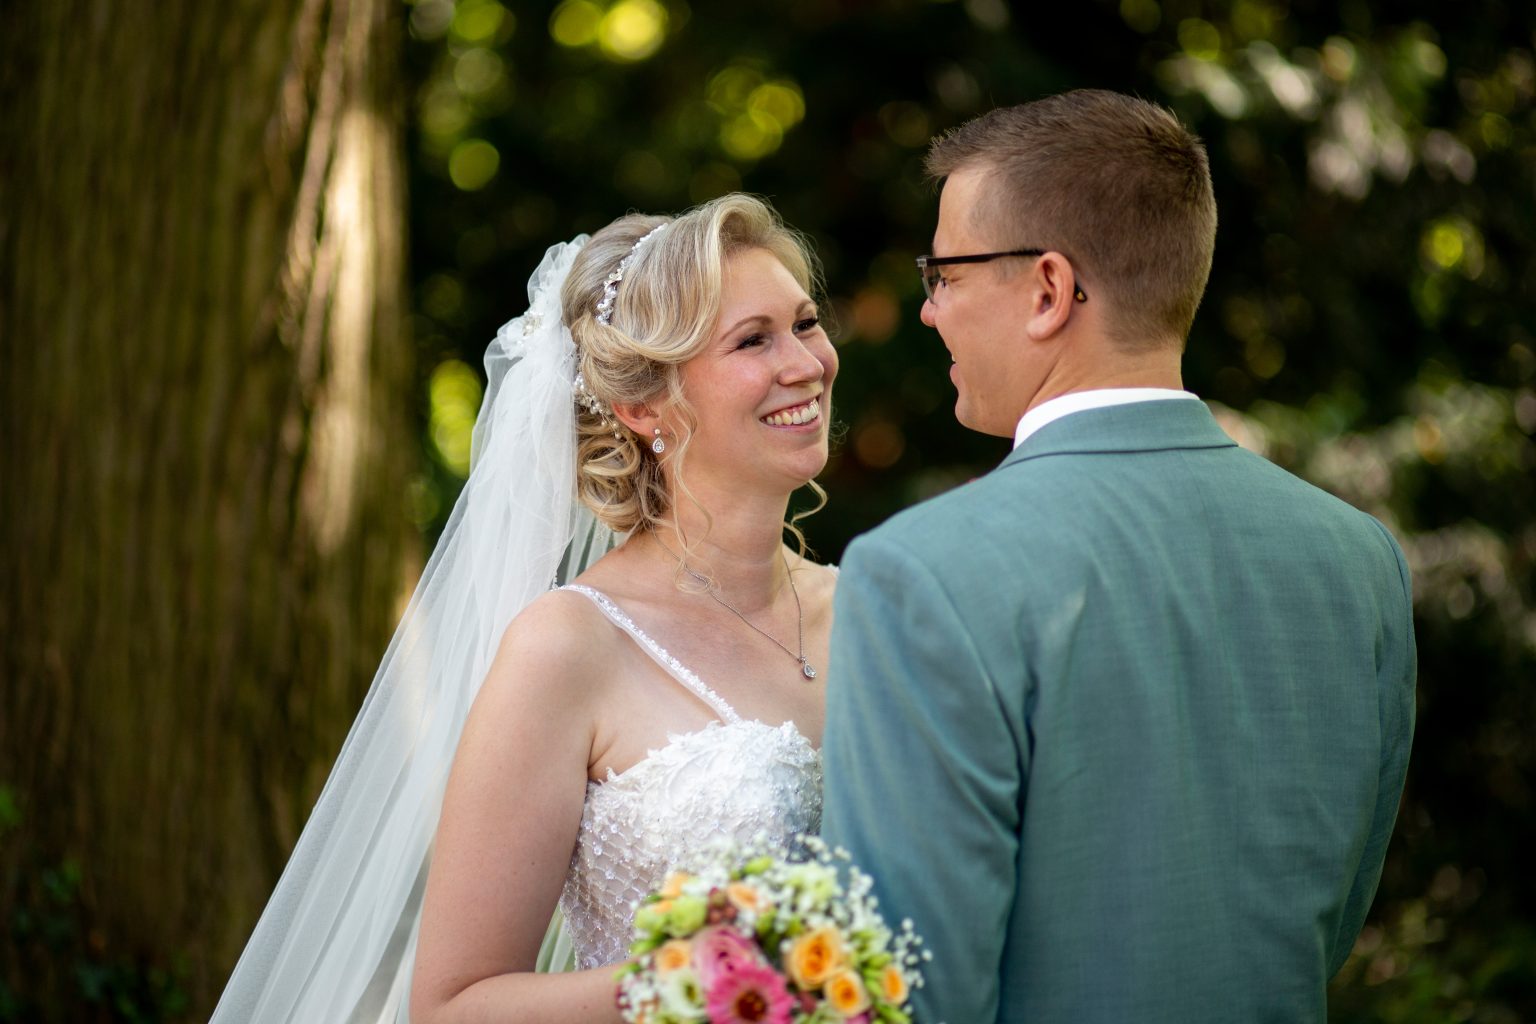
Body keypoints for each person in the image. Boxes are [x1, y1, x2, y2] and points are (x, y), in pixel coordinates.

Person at [821, 90, 1416, 1024]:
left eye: (944, 273)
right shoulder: (1356, 556)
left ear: (1049, 290)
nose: (929, 311)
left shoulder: (919, 571)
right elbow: (1327, 922)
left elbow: (911, 985)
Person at [211, 193, 838, 1023]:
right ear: (643, 406)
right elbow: (455, 1006)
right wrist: (692, 982)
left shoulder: (882, 607)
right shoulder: (570, 645)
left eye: (805, 322)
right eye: (753, 340)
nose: (806, 362)